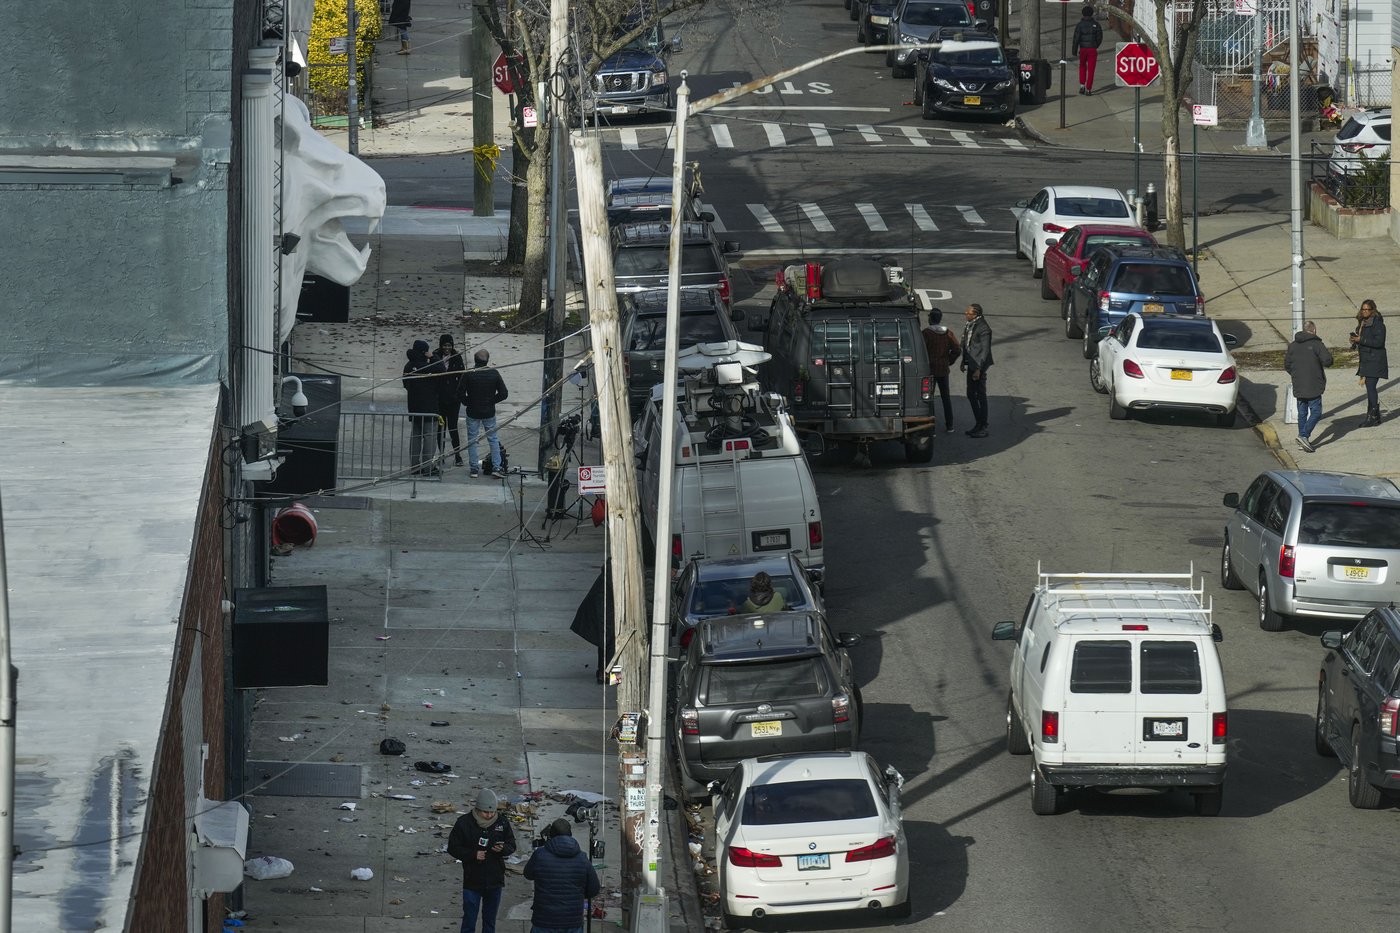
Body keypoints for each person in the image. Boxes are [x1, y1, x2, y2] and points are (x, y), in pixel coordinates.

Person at [447, 788, 517, 933]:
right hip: (472, 880)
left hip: (495, 880)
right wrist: (473, 854)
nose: (490, 815)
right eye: (485, 812)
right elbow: (453, 847)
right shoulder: (464, 823)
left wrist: (503, 849)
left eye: (492, 812)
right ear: (478, 809)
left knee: (490, 921)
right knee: (469, 920)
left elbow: (511, 845)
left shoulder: (502, 822)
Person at [523, 818, 600, 933]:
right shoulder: (582, 858)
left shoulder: (539, 855)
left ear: (551, 835)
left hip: (544, 919)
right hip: (572, 921)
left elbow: (528, 874)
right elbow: (593, 889)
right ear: (570, 834)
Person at [459, 349, 510, 477]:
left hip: (473, 410)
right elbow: (504, 393)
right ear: (487, 360)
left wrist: (468, 402)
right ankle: (497, 467)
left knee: (472, 440)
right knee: (493, 439)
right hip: (489, 411)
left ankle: (474, 468)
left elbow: (459, 392)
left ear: (475, 360)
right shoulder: (494, 373)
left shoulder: (468, 374)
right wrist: (492, 401)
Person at [1283, 321, 1333, 452]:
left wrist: (1296, 375)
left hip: (1298, 383)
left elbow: (1287, 365)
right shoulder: (1317, 344)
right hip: (1313, 384)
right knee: (1316, 412)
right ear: (1314, 330)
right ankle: (1303, 436)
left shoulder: (1293, 346)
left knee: (1302, 413)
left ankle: (1302, 441)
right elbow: (1328, 361)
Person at [403, 339, 444, 476]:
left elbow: (405, 384)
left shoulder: (408, 366)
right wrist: (433, 356)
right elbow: (441, 369)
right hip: (429, 407)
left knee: (416, 436)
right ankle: (428, 467)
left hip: (414, 406)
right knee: (429, 437)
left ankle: (414, 466)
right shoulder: (427, 366)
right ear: (424, 352)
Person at [570, 565, 616, 684]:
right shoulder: (614, 574)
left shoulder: (611, 573)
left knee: (608, 639)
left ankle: (605, 672)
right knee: (612, 640)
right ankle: (609, 674)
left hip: (604, 608)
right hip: (606, 609)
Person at [921, 307, 962, 433]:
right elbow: (957, 349)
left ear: (930, 319)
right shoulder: (948, 333)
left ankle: (930, 427)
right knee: (946, 397)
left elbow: (921, 350)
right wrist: (949, 360)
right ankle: (950, 425)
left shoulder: (926, 333)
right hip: (943, 369)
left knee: (929, 398)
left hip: (929, 370)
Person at [1351, 299, 1388, 427]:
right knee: (1369, 386)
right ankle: (1375, 416)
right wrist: (1355, 341)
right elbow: (1362, 341)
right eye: (1363, 309)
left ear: (1373, 310)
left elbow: (1379, 343)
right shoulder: (1362, 323)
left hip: (1375, 360)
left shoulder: (1378, 324)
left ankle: (1372, 416)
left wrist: (1361, 339)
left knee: (1371, 386)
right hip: (1366, 360)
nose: (1365, 311)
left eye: (1367, 309)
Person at [960, 304, 993, 438]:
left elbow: (985, 350)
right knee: (971, 394)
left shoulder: (983, 328)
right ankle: (979, 423)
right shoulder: (970, 325)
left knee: (980, 395)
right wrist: (964, 361)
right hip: (972, 364)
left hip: (979, 366)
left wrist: (979, 369)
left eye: (968, 313)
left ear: (975, 315)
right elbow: (967, 345)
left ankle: (982, 425)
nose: (965, 314)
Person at [435, 334, 467, 466]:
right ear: (440, 345)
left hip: (453, 401)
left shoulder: (457, 357)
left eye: (449, 345)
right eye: (444, 345)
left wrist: (458, 394)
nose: (447, 348)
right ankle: (441, 454)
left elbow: (462, 377)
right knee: (440, 428)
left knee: (453, 428)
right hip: (439, 400)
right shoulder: (435, 357)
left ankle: (457, 455)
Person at [1071, 6, 1104, 96]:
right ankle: (1088, 89)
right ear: (1091, 14)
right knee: (1091, 69)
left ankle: (1082, 86)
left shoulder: (1079, 25)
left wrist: (1074, 50)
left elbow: (1076, 39)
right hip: (1092, 49)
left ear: (1083, 14)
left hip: (1083, 49)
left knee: (1082, 67)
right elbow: (1099, 37)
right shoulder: (1096, 25)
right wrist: (1095, 45)